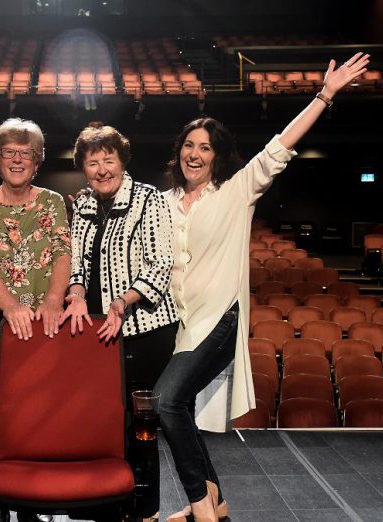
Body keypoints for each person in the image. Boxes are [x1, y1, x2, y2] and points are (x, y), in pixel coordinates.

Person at [157, 52, 370, 521]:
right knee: (180, 410)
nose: (194, 153)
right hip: (178, 323)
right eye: (189, 145)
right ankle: (216, 499)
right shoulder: (162, 202)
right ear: (179, 152)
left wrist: (324, 95)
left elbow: (280, 145)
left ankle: (199, 507)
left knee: (167, 401)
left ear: (217, 156)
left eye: (205, 147)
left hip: (219, 317)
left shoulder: (237, 192)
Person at [60, 123, 179, 519]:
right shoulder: (83, 206)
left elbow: (161, 263)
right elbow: (77, 265)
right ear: (83, 168)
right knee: (105, 421)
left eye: (108, 159)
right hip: (98, 333)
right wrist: (75, 293)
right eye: (92, 163)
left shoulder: (149, 199)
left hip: (145, 331)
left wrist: (121, 303)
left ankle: (145, 509)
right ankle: (109, 503)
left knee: (140, 427)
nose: (101, 169)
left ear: (122, 161)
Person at [0, 117, 71, 522]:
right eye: (9, 152)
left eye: (25, 153)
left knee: (39, 413)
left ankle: (32, 499)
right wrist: (10, 306)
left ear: (38, 161)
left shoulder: (51, 202)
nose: (16, 159)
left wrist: (53, 300)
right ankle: (0, 494)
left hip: (45, 327)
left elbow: (63, 251)